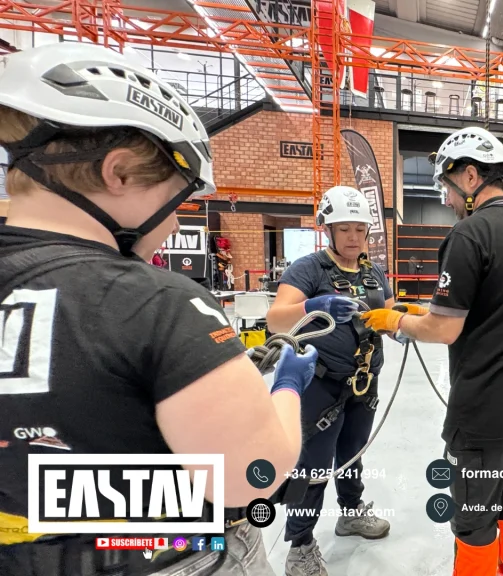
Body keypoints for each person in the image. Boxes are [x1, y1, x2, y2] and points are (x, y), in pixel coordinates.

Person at [0, 42, 327, 575]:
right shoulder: (157, 302)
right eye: (179, 200)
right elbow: (252, 475)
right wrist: (287, 388)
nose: (175, 224)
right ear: (120, 172)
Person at [360, 127, 503, 576]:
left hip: (486, 410)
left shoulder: (470, 234)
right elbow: (498, 304)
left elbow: (445, 329)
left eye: (446, 186)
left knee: (474, 521)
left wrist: (397, 321)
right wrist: (424, 308)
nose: (444, 197)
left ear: (469, 176)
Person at [266, 185, 398, 575]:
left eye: (360, 229)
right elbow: (276, 318)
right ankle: (300, 543)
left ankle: (351, 512)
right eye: (345, 229)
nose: (354, 237)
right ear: (328, 229)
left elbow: (389, 311)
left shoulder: (373, 272)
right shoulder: (309, 269)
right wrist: (314, 305)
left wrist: (401, 323)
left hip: (363, 383)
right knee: (314, 466)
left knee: (353, 453)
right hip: (322, 385)